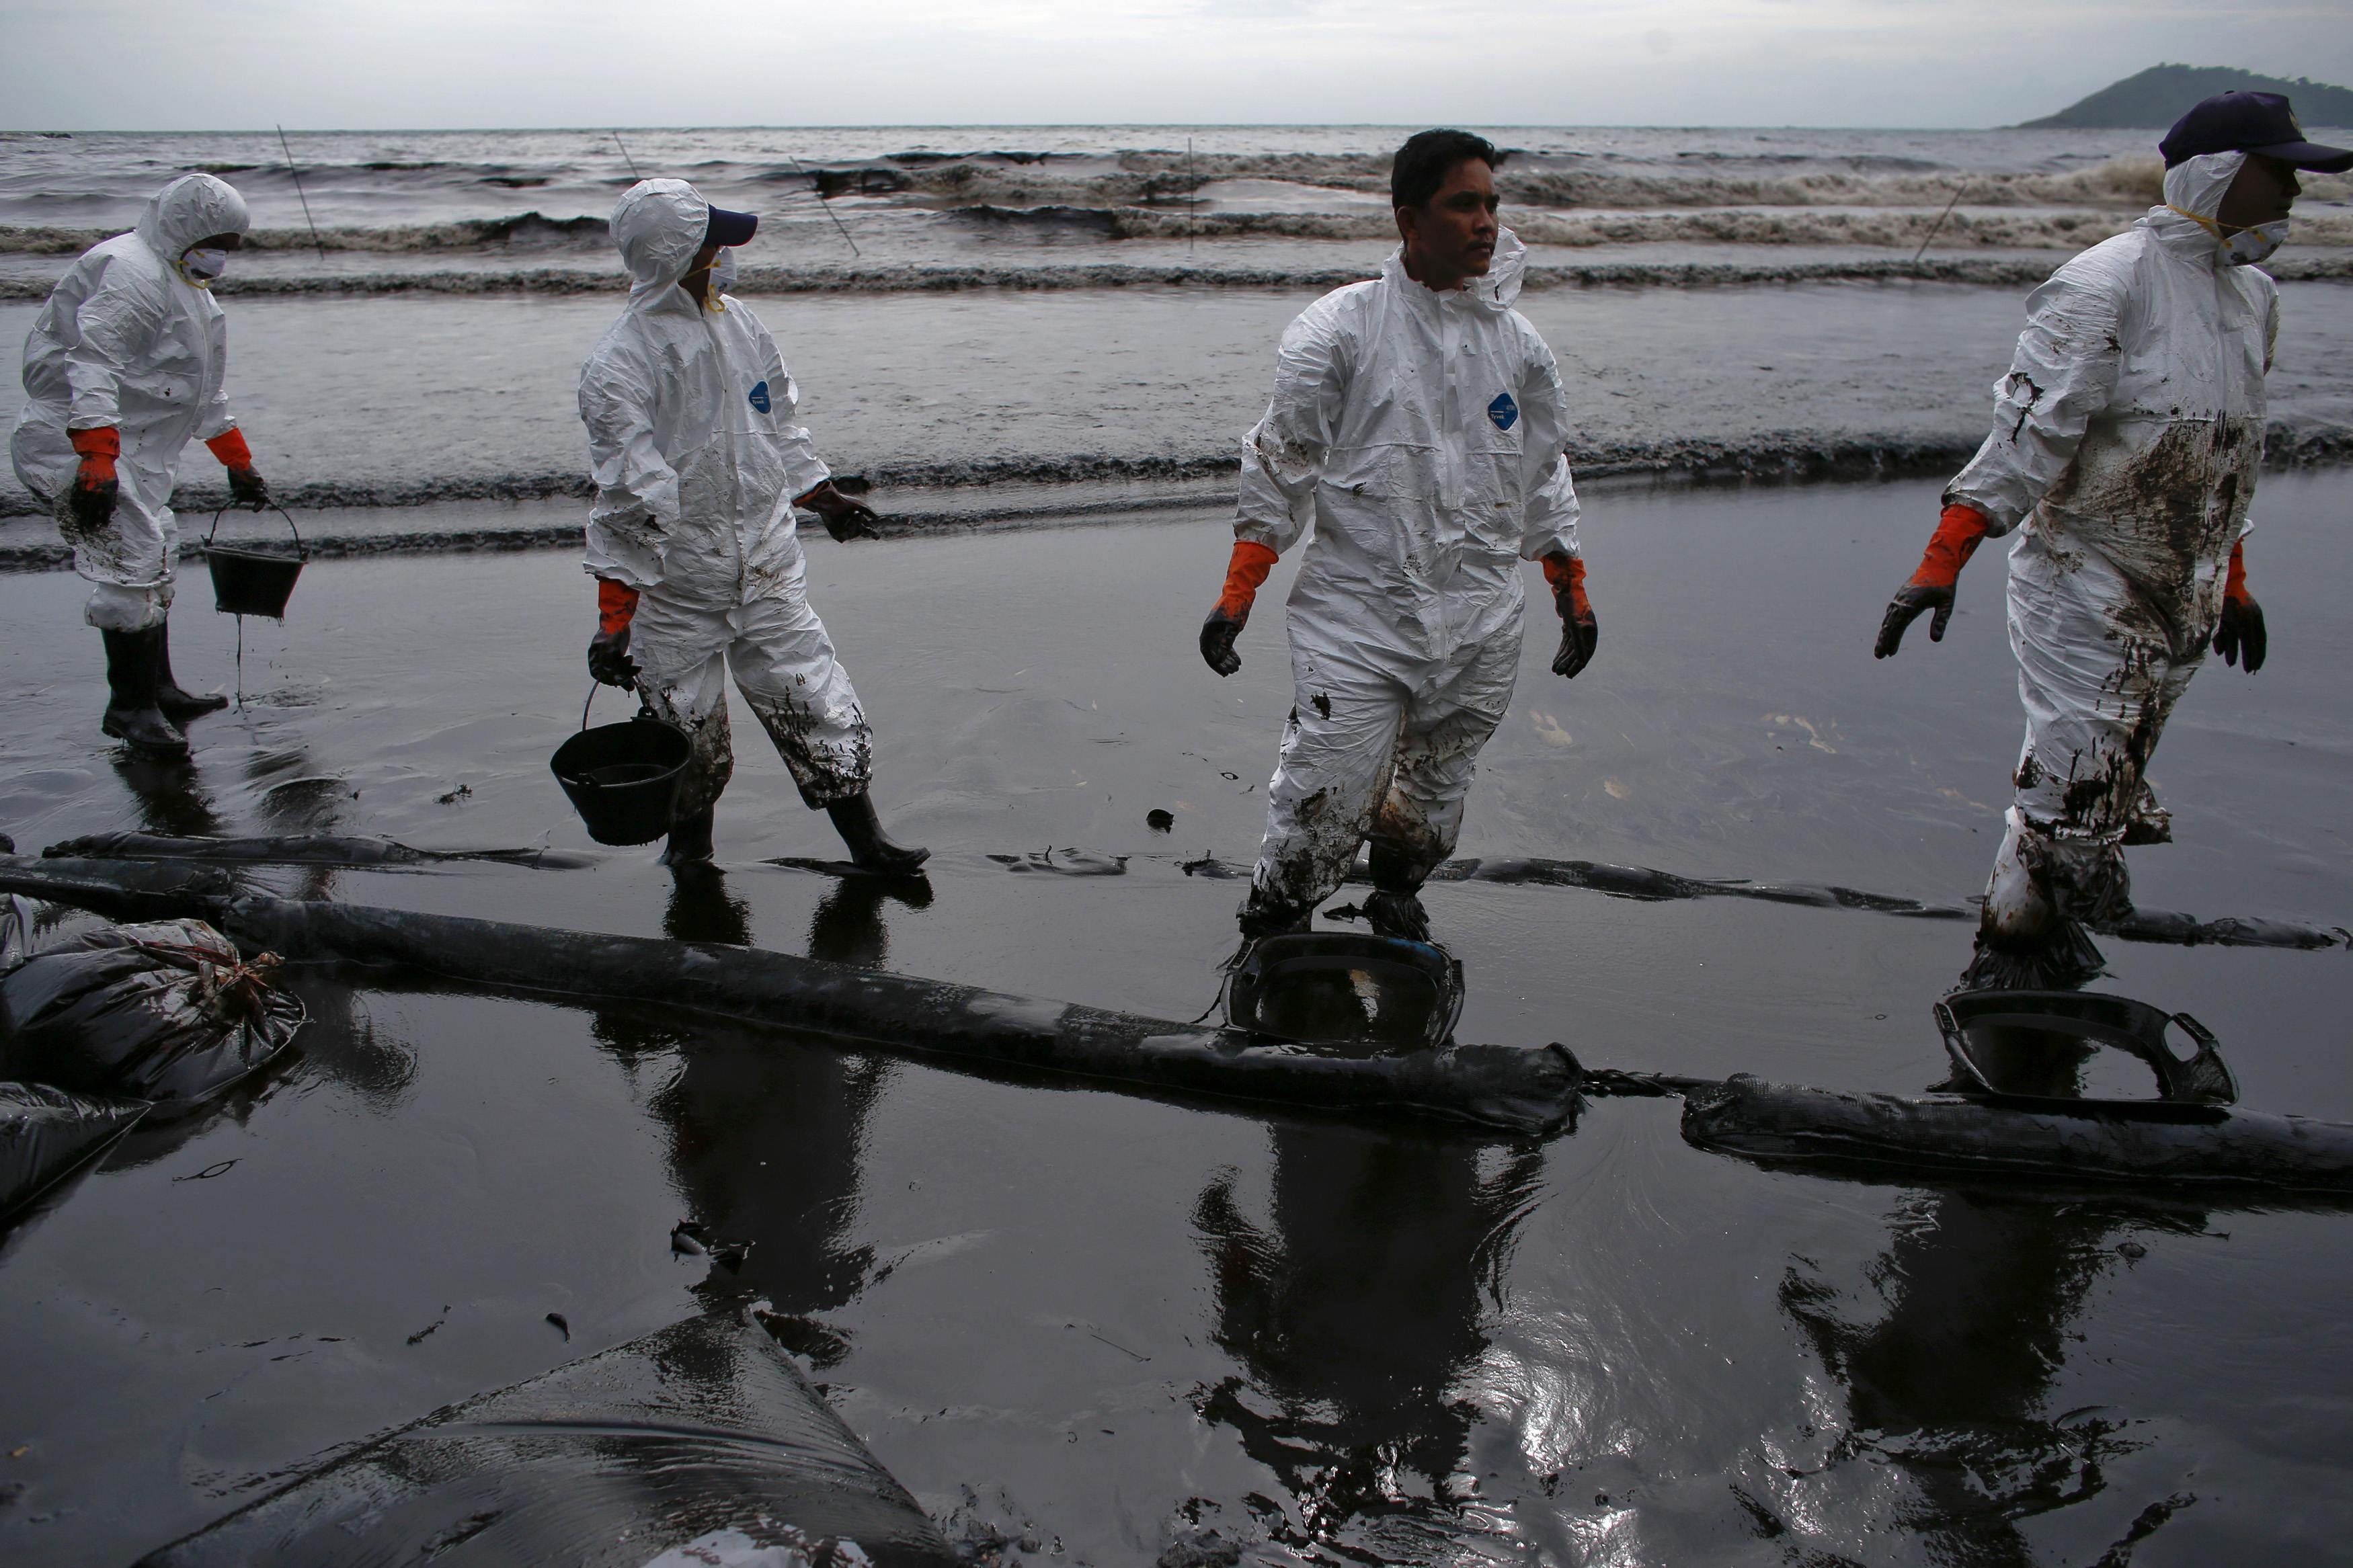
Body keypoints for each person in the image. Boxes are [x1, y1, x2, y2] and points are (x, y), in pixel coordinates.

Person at [1874, 92, 2352, 985]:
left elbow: (2226, 452)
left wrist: (2232, 578)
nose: (2295, 187)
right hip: (2084, 578)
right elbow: (2025, 439)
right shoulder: (2106, 283)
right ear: (2218, 172)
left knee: (2102, 776)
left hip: (2184, 588)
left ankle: (2019, 938)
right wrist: (1942, 562)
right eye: (2278, 169)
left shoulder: (2255, 296)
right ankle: (2018, 954)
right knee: (2077, 784)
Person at [1199, 129, 1594, 942]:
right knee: (1323, 790)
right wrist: (1238, 592)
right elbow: (1282, 460)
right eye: (1463, 204)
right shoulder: (1338, 331)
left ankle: (1396, 894)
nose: (1485, 221)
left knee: (1434, 797)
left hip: (1482, 619)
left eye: (1490, 204)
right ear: (1410, 220)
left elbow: (1541, 470)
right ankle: (1276, 923)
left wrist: (1569, 588)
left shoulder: (1518, 348)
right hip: (1359, 616)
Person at [579, 178, 926, 872]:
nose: (727, 254)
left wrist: (821, 497)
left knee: (813, 694)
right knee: (685, 724)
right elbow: (628, 497)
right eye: (714, 242)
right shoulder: (620, 363)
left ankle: (867, 844)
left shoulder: (739, 323)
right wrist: (615, 616)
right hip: (678, 583)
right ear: (678, 254)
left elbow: (777, 420)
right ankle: (689, 857)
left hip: (765, 558)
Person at [11, 173, 271, 759]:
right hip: (75, 441)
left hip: (135, 447)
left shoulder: (191, 287)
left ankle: (159, 690)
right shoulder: (129, 271)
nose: (222, 256)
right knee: (130, 559)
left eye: (231, 247)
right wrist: (96, 458)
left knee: (157, 549)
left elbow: (200, 385)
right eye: (218, 243)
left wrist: (236, 459)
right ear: (188, 227)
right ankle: (128, 708)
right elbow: (93, 362)